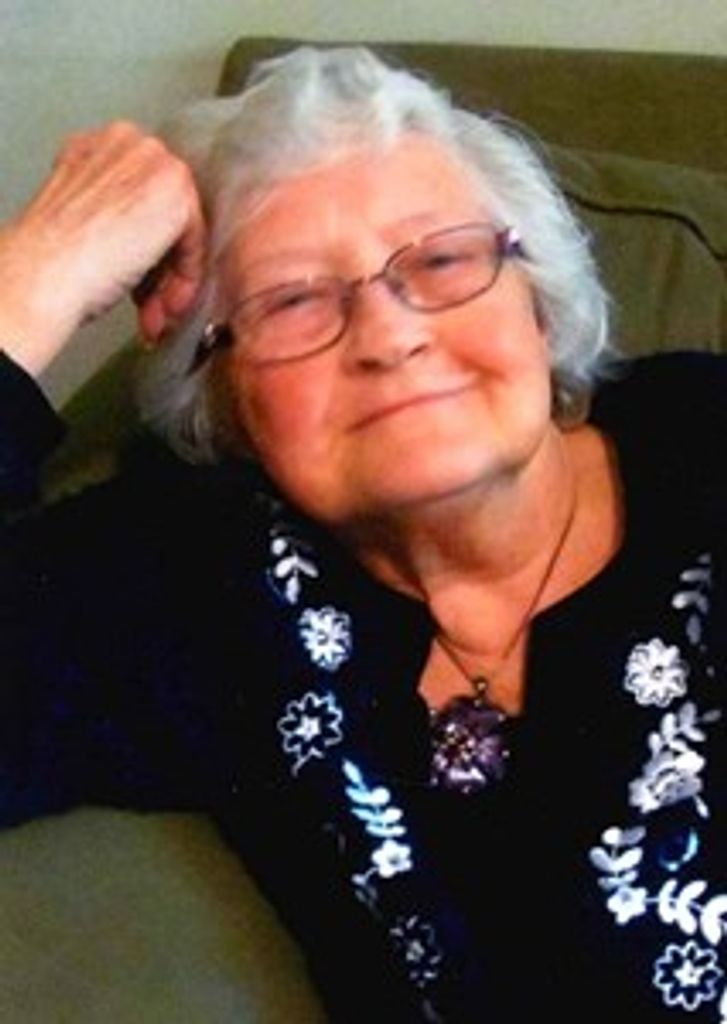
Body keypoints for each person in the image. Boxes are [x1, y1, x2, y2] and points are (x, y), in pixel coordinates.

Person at [1, 44, 726, 1023]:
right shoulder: (200, 580)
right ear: (224, 397)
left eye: (442, 260)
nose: (389, 336)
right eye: (293, 301)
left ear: (541, 308)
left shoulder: (703, 451)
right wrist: (31, 285)